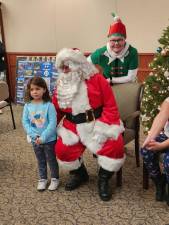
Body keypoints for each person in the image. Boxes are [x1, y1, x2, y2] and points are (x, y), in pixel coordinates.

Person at [52, 48, 125, 201]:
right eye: (62, 66)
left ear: (78, 64)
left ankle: (103, 179)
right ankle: (80, 174)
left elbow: (110, 106)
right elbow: (56, 109)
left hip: (98, 121)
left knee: (115, 146)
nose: (65, 69)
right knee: (62, 150)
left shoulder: (97, 79)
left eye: (68, 65)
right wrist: (48, 126)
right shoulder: (61, 83)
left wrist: (104, 127)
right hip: (72, 124)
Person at [22, 76, 59, 191]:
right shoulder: (27, 105)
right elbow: (25, 122)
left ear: (44, 89)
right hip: (35, 139)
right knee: (40, 160)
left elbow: (53, 123)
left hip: (49, 139)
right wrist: (34, 135)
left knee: (51, 159)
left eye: (37, 89)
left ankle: (54, 178)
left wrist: (43, 137)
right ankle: (42, 179)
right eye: (32, 89)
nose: (35, 92)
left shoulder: (49, 105)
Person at [88, 13, 138, 85]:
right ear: (109, 41)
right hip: (107, 87)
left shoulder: (132, 52)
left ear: (124, 40)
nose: (116, 43)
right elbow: (85, 63)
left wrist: (110, 80)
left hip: (128, 86)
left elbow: (131, 77)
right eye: (113, 40)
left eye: (120, 40)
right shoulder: (101, 52)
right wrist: (95, 76)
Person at [141, 97, 169, 206]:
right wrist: (150, 138)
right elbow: (161, 116)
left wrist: (161, 145)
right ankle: (159, 181)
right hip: (166, 135)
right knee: (146, 150)